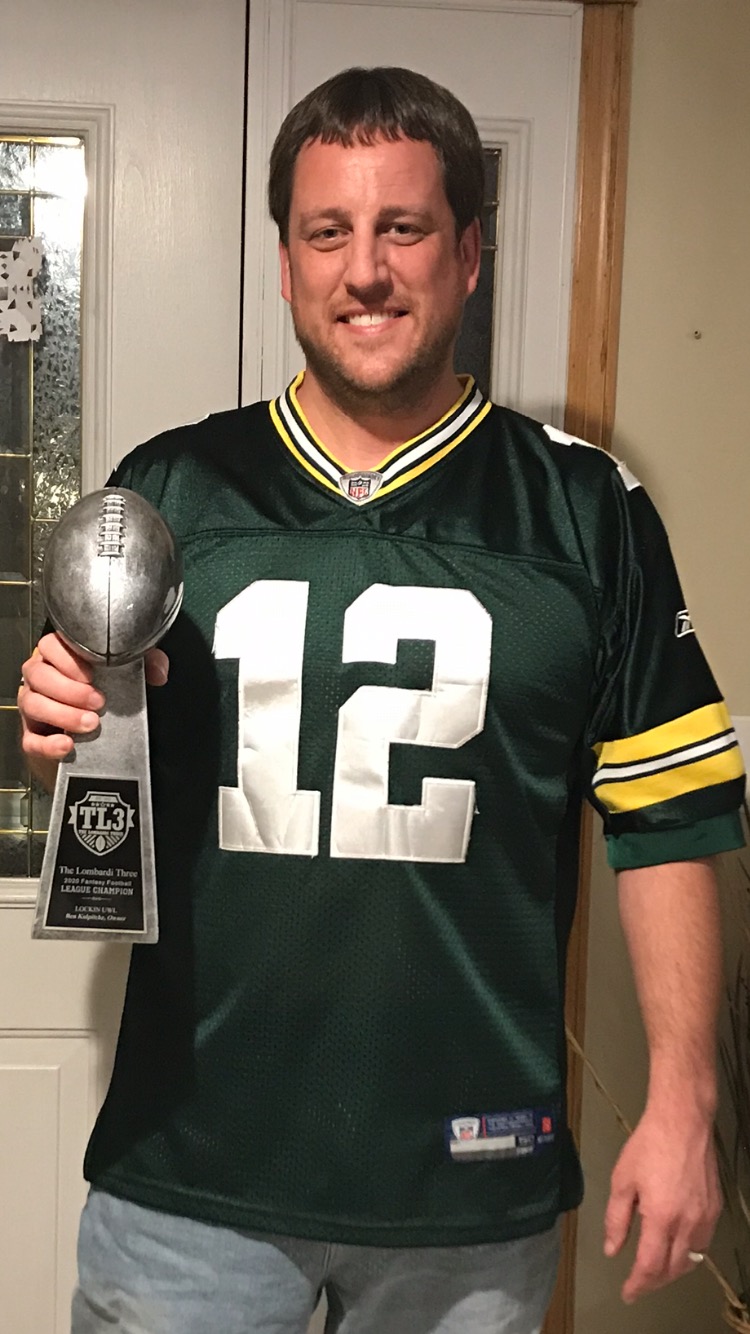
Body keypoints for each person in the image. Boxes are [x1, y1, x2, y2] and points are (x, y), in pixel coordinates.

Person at [19, 67, 745, 1334]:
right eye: (328, 232)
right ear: (286, 261)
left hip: (470, 1183)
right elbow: (92, 769)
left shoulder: (585, 513)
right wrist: (56, 734)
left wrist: (686, 1100)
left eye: (403, 227)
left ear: (469, 252)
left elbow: (671, 817)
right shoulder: (168, 494)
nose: (365, 270)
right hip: (191, 1173)